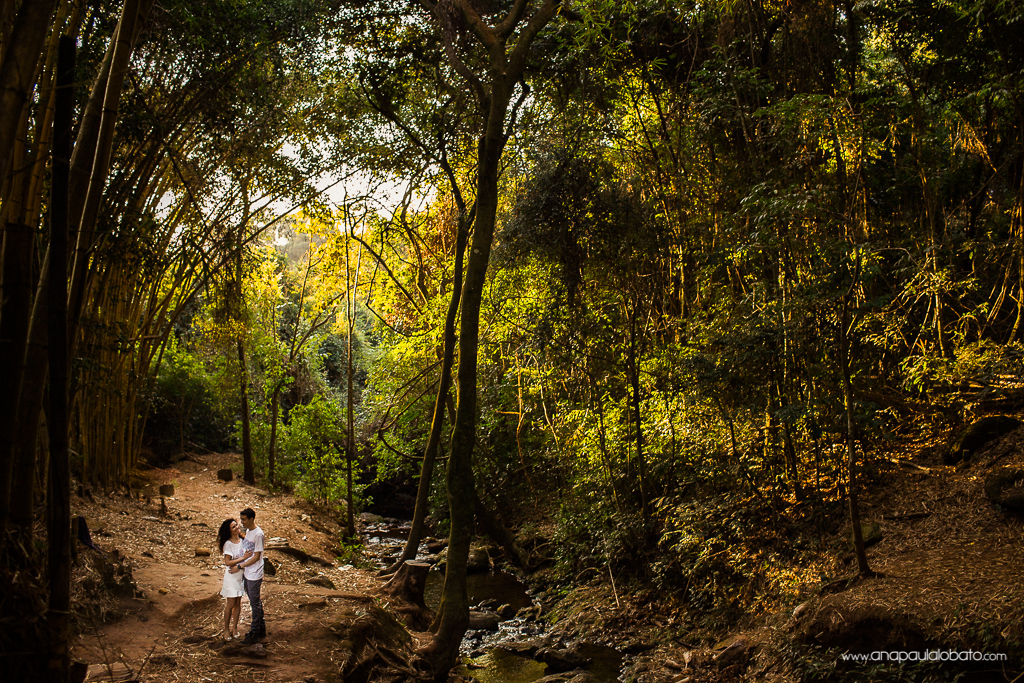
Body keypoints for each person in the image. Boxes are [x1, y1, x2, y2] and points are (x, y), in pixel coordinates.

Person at [216, 518, 252, 641]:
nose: (237, 527)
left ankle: (235, 628)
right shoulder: (228, 544)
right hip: (232, 576)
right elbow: (227, 562)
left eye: (236, 525)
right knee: (230, 603)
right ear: (229, 531)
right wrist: (242, 559)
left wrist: (242, 563)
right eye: (233, 527)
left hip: (241, 574)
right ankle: (226, 629)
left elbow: (249, 556)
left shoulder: (243, 540)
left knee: (238, 603)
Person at [238, 507, 266, 644]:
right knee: (254, 600)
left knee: (254, 603)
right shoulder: (248, 531)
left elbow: (256, 557)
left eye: (244, 519)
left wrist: (241, 565)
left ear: (251, 519)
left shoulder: (258, 534)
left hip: (255, 572)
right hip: (248, 572)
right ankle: (261, 628)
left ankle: (255, 632)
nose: (241, 522)